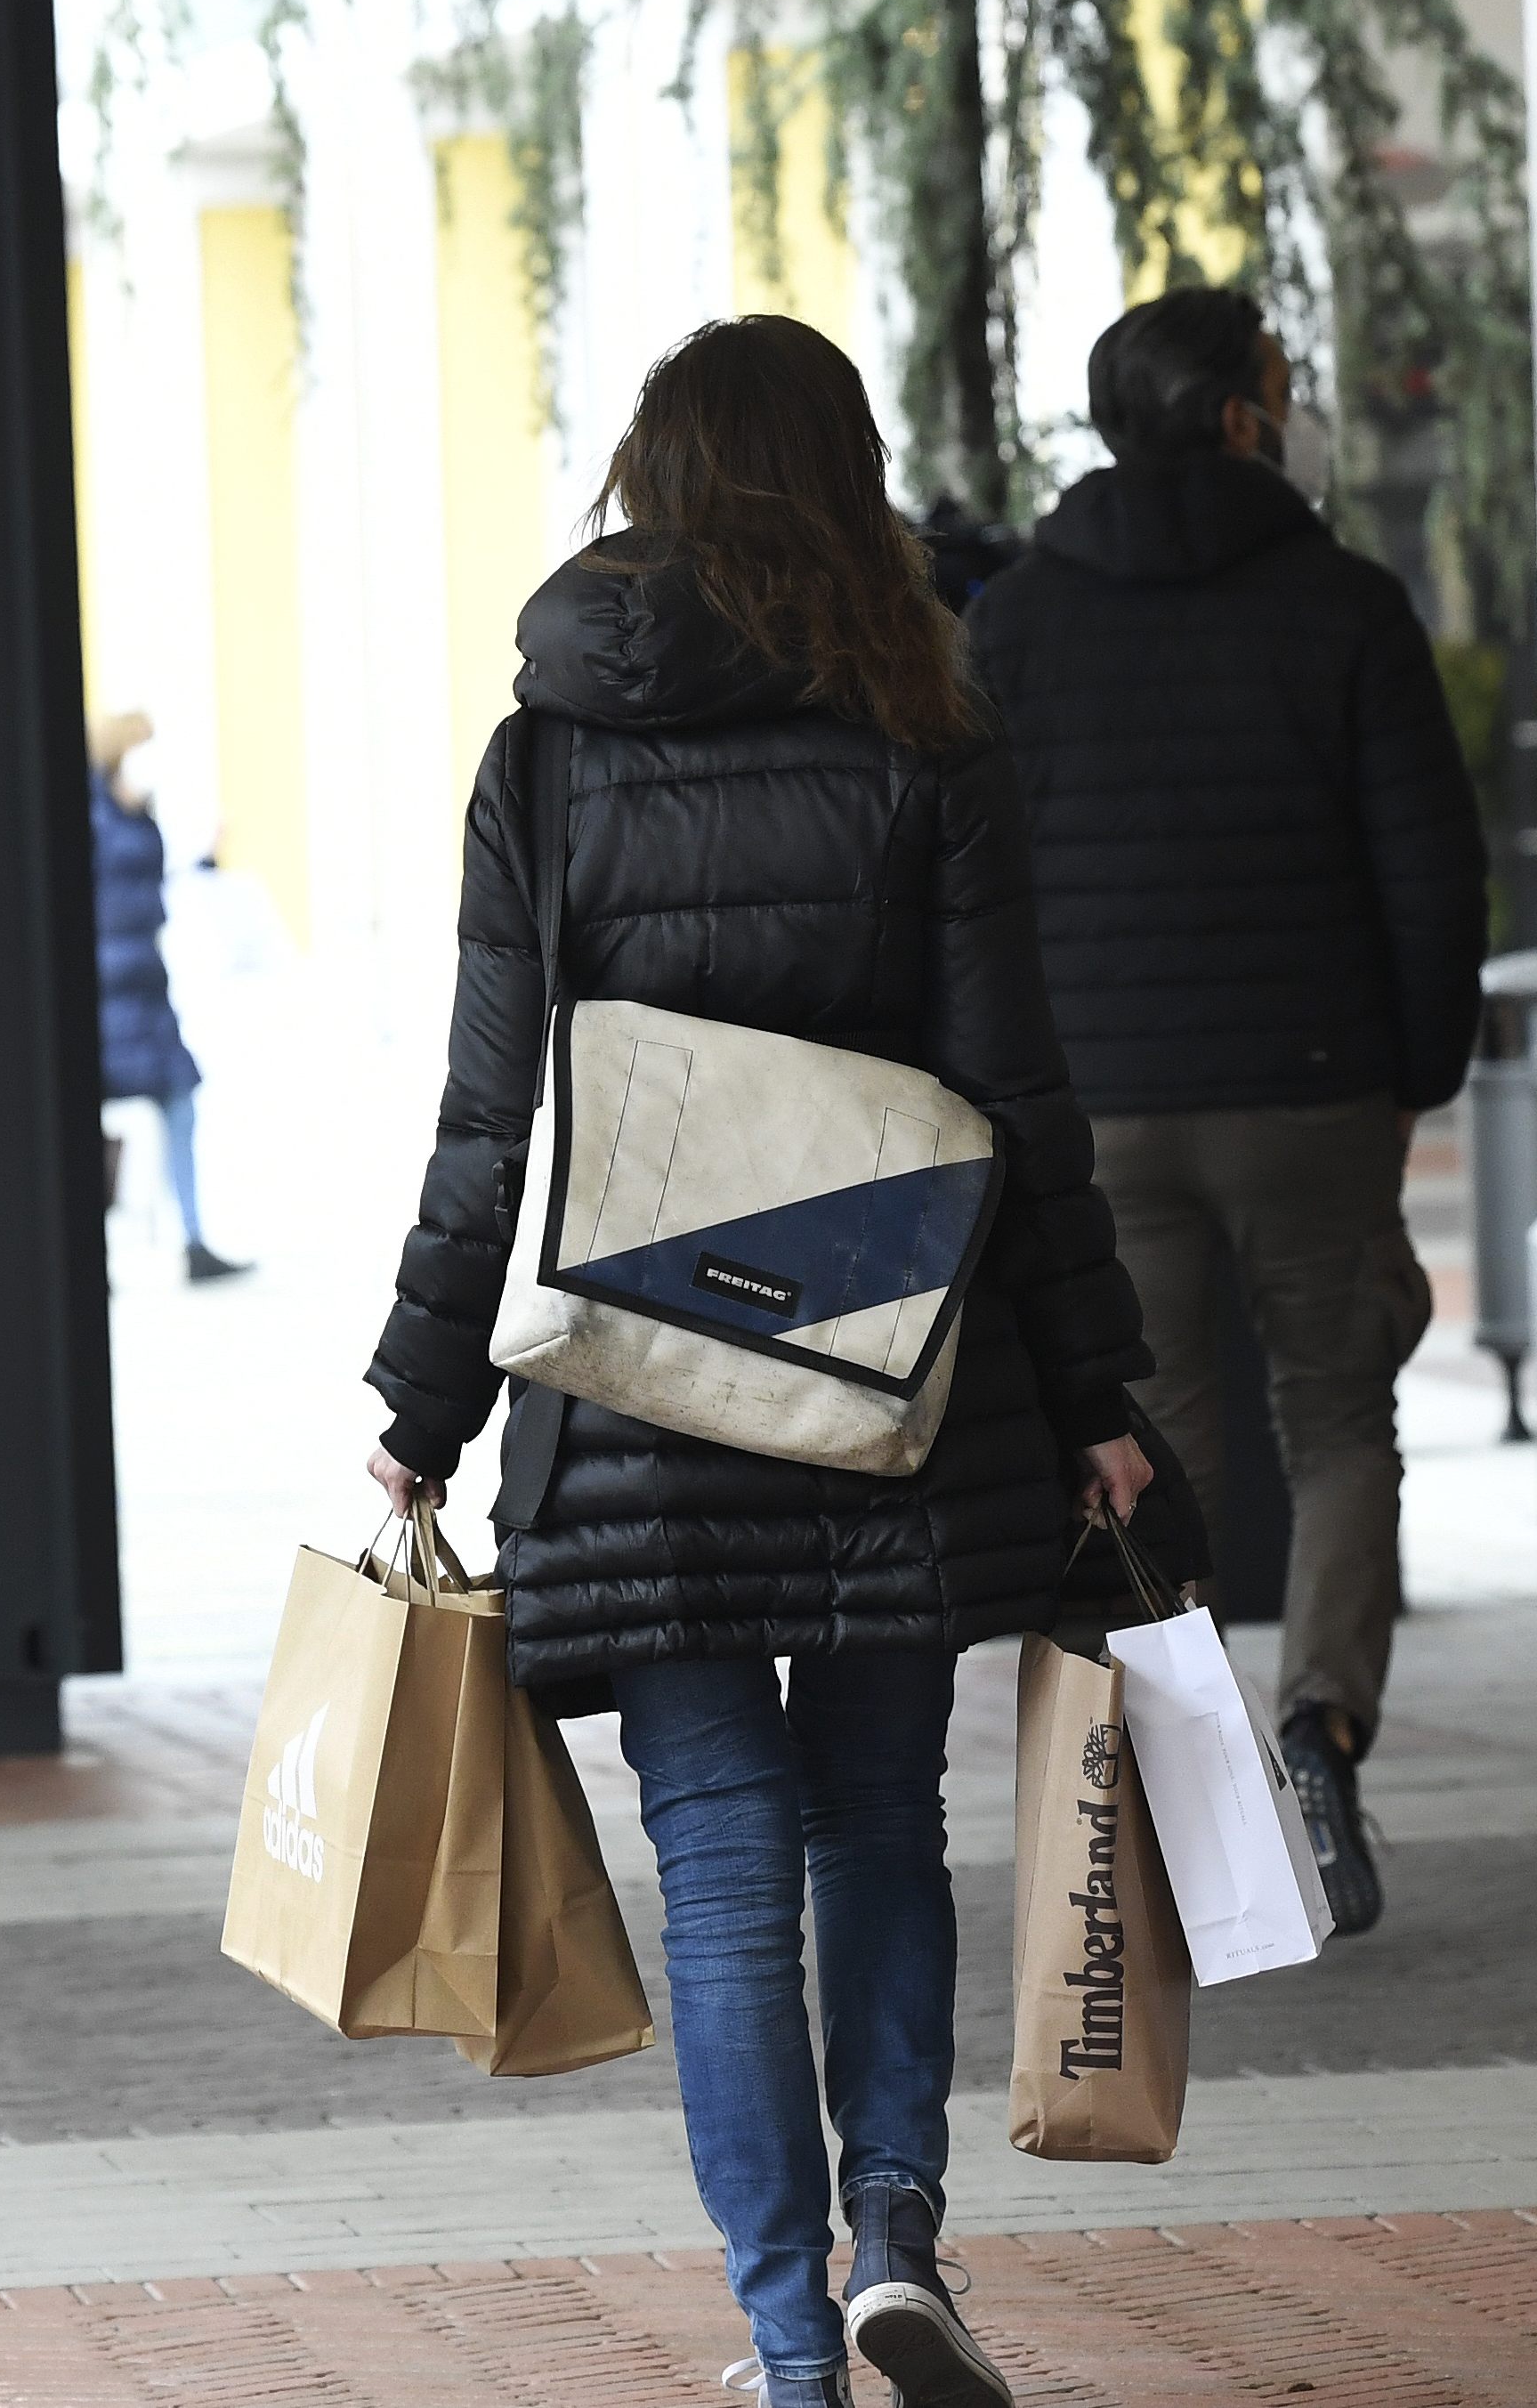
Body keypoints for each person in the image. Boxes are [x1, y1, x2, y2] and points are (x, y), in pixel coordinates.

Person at [360, 315, 1168, 2408]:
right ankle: (897, 2232)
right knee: (878, 1810)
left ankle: (792, 2346)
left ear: (656, 472)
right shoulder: (923, 716)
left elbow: (487, 1117)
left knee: (718, 1850)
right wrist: (1095, 1391)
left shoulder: (544, 747)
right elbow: (1015, 1088)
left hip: (637, 1372)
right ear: (845, 473)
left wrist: (421, 1401)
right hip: (896, 1357)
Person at [969, 285, 1488, 1936]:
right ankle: (1323, 1725)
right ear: (1239, 417)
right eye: (1281, 383)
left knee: (1152, 1454)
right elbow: (1431, 864)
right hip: (1311, 1089)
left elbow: (976, 882)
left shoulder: (1023, 621)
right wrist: (1415, 1065)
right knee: (1340, 1420)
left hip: (1104, 1104)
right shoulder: (1345, 606)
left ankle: (1187, 1825)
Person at [89, 712, 246, 1284]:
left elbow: (153, 883)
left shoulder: (126, 814)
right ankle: (100, 1252)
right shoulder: (97, 816)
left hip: (142, 991)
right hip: (111, 990)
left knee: (180, 1102)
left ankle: (195, 1240)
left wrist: (201, 855)